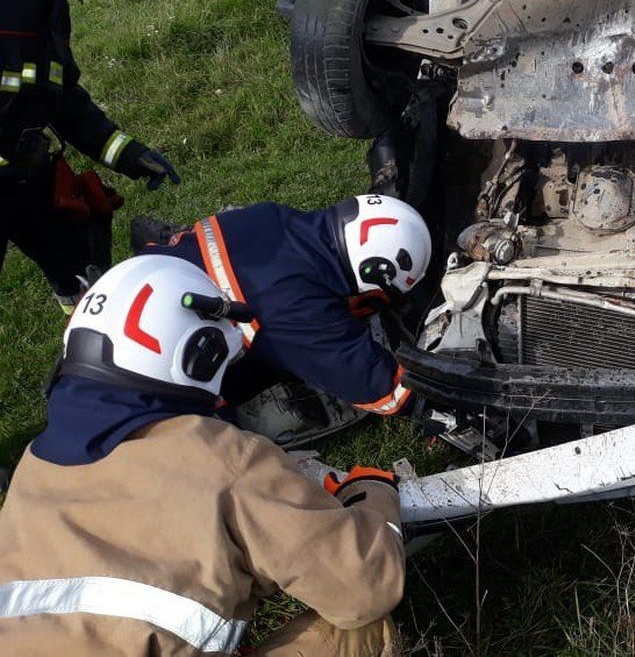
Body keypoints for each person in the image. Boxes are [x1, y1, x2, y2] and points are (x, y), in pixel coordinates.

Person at [0, 255, 407, 655]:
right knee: (364, 629)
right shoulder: (226, 459)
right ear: (198, 355)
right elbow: (365, 586)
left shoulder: (32, 465)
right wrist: (372, 492)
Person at [132, 194, 433, 417]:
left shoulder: (271, 216)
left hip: (135, 291)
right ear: (373, 271)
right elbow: (382, 390)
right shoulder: (300, 309)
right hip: (149, 398)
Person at [1, 0, 181, 313]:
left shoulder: (51, 0)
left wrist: (129, 154)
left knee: (82, 272)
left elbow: (62, 98)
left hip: (28, 175)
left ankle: (83, 334)